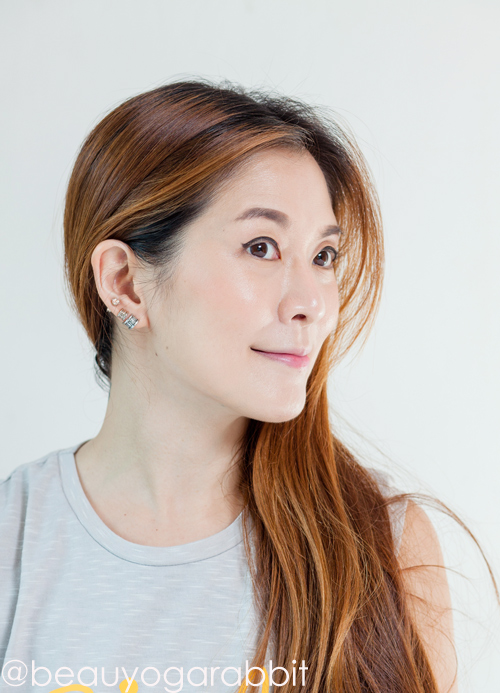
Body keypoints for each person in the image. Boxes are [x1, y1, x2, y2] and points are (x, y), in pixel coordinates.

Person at [1, 78, 496, 693]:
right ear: (125, 282)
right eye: (262, 248)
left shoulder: (383, 546)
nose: (313, 303)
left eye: (323, 256)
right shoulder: (15, 538)